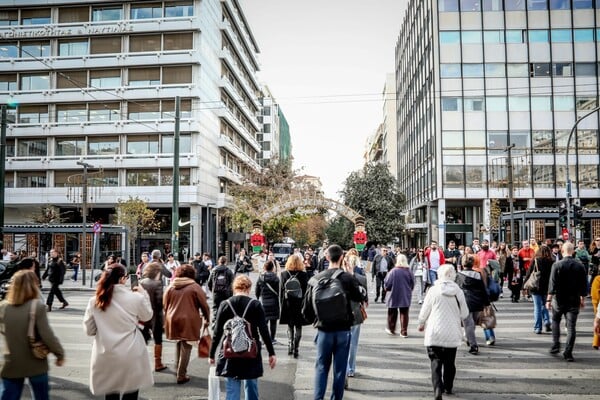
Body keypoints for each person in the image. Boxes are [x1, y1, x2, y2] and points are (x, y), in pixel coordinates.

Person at [302, 244, 366, 400]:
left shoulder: (315, 279)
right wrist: (352, 275)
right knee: (340, 369)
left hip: (324, 330)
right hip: (343, 330)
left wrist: (316, 319)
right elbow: (359, 298)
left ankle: (318, 397)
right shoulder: (346, 278)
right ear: (342, 258)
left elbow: (306, 310)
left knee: (321, 368)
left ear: (327, 257)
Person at [83, 264, 154, 399]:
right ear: (122, 279)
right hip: (131, 353)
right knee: (131, 393)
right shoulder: (135, 298)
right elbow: (147, 316)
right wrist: (143, 294)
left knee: (111, 394)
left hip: (106, 354)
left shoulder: (95, 301)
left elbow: (89, 330)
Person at [209, 275, 277, 400]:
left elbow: (217, 332)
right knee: (251, 384)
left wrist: (212, 353)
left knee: (232, 387)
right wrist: (271, 353)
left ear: (234, 288)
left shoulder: (225, 304)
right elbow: (264, 331)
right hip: (252, 350)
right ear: (249, 288)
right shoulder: (255, 305)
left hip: (230, 350)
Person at [0, 270, 65, 400]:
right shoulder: (37, 306)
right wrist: (59, 354)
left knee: (9, 396)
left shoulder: (3, 307)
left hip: (11, 361)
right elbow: (47, 335)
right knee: (41, 396)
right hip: (35, 362)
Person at [418, 264, 468, 400]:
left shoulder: (433, 290)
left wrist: (421, 323)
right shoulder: (458, 291)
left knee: (435, 362)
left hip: (435, 331)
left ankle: (437, 390)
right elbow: (465, 313)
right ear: (453, 275)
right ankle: (448, 386)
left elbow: (425, 310)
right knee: (450, 362)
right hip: (452, 331)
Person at [163, 264, 211, 383]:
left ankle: (178, 368)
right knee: (187, 345)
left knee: (179, 342)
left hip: (172, 318)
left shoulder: (171, 286)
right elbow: (204, 305)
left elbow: (165, 304)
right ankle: (181, 374)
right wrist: (207, 318)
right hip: (189, 319)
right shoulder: (194, 287)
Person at [546, 242, 588, 362]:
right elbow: (583, 285)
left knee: (555, 320)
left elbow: (552, 284)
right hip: (573, 300)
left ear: (562, 251)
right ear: (573, 251)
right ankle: (568, 352)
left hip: (559, 299)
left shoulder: (557, 265)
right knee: (571, 327)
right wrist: (582, 298)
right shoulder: (579, 266)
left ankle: (556, 345)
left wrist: (548, 299)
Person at [456, 254, 489, 355]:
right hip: (477, 301)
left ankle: (473, 345)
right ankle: (469, 338)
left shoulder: (458, 275)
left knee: (468, 324)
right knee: (472, 323)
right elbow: (483, 289)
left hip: (465, 302)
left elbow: (455, 290)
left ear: (462, 264)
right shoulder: (477, 274)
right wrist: (486, 303)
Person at [279, 254, 310, 358]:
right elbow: (306, 291)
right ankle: (296, 347)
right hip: (299, 303)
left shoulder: (284, 274)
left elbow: (281, 291)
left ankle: (290, 344)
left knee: (290, 325)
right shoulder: (304, 275)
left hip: (287, 303)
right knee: (299, 326)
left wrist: (281, 304)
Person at [139, 262, 167, 372]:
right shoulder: (157, 284)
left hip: (142, 315)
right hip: (155, 316)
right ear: (157, 272)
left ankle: (139, 362)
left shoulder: (141, 282)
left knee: (142, 339)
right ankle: (158, 363)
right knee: (158, 339)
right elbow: (160, 302)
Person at [344, 252, 368, 380]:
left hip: (342, 313)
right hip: (356, 312)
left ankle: (344, 368)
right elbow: (364, 298)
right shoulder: (362, 279)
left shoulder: (340, 278)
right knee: (353, 343)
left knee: (343, 342)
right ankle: (351, 368)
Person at [524, 245, 553, 334]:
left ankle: (538, 327)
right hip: (547, 287)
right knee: (545, 304)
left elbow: (529, 273)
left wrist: (524, 285)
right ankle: (547, 321)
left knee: (537, 307)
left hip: (536, 286)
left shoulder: (536, 260)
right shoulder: (551, 261)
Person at [384, 254, 415, 337]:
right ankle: (404, 331)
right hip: (405, 294)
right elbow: (412, 283)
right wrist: (409, 289)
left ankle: (391, 328)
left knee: (392, 312)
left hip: (393, 294)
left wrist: (387, 289)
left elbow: (387, 283)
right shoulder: (409, 271)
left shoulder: (393, 271)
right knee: (404, 313)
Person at [255, 260, 281, 344]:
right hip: (274, 302)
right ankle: (272, 338)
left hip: (264, 302)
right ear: (273, 268)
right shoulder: (276, 278)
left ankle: (264, 338)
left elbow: (257, 290)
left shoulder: (261, 277)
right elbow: (278, 291)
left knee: (264, 322)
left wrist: (258, 296)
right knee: (273, 322)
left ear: (264, 267)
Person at [208, 256, 235, 327]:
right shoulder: (229, 271)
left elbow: (209, 282)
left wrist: (213, 290)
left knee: (215, 307)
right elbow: (233, 282)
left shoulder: (214, 270)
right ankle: (226, 324)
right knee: (227, 308)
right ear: (226, 262)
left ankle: (215, 323)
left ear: (219, 261)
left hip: (216, 293)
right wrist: (230, 292)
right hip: (226, 293)